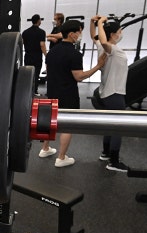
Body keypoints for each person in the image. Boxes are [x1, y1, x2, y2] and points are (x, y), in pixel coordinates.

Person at [39, 19, 107, 167]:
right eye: (79, 32)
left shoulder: (51, 52)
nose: (80, 34)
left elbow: (50, 72)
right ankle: (61, 158)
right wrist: (98, 66)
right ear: (71, 34)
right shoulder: (75, 54)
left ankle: (45, 149)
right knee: (67, 125)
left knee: (50, 121)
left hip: (51, 91)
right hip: (67, 93)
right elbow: (79, 77)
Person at [89, 15, 129, 172]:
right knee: (118, 128)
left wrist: (92, 22)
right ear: (113, 34)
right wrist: (99, 22)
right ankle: (114, 162)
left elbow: (94, 36)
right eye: (119, 31)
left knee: (109, 125)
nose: (120, 33)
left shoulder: (102, 47)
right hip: (115, 94)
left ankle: (105, 153)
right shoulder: (111, 49)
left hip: (106, 93)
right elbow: (103, 40)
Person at [22, 14, 47, 95]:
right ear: (38, 21)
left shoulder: (25, 32)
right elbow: (42, 45)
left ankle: (26, 91)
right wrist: (46, 55)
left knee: (27, 74)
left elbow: (21, 43)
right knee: (36, 74)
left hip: (28, 56)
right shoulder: (42, 32)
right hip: (37, 56)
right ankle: (34, 91)